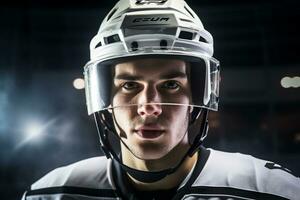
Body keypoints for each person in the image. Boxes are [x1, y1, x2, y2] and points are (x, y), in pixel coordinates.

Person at [22, 0, 300, 199]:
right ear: (104, 95)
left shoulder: (271, 190)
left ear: (198, 94)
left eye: (170, 84)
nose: (149, 107)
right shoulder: (52, 192)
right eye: (129, 84)